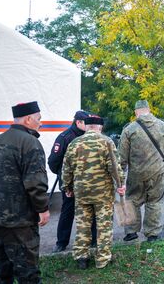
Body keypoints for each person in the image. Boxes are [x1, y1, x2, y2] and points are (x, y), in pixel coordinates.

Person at [0, 101, 50, 284]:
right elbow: (35, 183)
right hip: (20, 222)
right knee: (28, 273)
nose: (40, 123)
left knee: (0, 272)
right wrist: (42, 208)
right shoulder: (31, 143)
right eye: (38, 119)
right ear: (28, 119)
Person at [61, 115, 125, 269]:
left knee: (83, 224)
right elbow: (115, 167)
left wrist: (67, 187)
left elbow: (67, 169)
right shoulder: (107, 142)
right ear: (100, 127)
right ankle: (102, 259)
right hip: (103, 193)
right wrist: (120, 184)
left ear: (87, 126)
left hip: (81, 192)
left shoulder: (74, 143)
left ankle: (81, 258)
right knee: (103, 225)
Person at [120, 100, 164, 242]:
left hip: (136, 173)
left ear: (136, 112)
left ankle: (130, 232)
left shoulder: (129, 129)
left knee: (131, 200)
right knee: (155, 201)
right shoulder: (162, 126)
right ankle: (152, 234)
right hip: (157, 172)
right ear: (149, 109)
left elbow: (121, 157)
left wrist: (120, 179)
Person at [48, 110, 97, 253]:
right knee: (68, 211)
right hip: (70, 182)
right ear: (78, 122)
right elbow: (53, 161)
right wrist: (63, 176)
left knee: (91, 209)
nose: (89, 126)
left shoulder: (90, 137)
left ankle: (93, 240)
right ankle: (61, 242)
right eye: (86, 123)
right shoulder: (65, 137)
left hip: (88, 182)